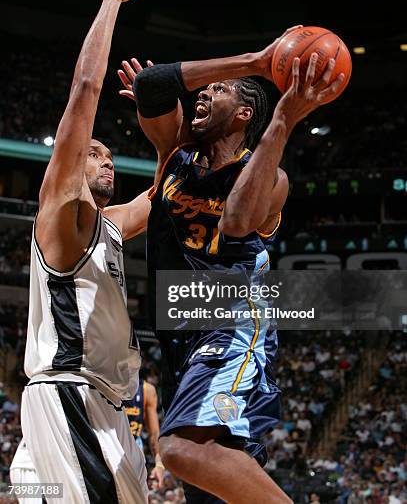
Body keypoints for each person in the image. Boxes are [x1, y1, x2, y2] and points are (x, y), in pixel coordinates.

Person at [118, 35, 344, 503]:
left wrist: (283, 118)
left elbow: (238, 222)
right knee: (209, 488)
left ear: (245, 115)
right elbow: (150, 85)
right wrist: (258, 62)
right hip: (178, 331)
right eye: (204, 88)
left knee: (181, 450)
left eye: (218, 90)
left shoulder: (270, 177)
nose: (203, 92)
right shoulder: (175, 156)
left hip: (230, 320)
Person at [10, 0, 150, 504]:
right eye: (96, 152)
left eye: (112, 156)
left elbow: (163, 192)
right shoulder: (60, 214)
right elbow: (86, 89)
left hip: (111, 408)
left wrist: (162, 121)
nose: (106, 159)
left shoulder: (110, 222)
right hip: (68, 393)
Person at [123, 377, 165, 488]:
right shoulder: (104, 385)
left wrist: (159, 463)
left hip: (134, 444)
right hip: (112, 445)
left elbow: (154, 433)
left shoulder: (147, 390)